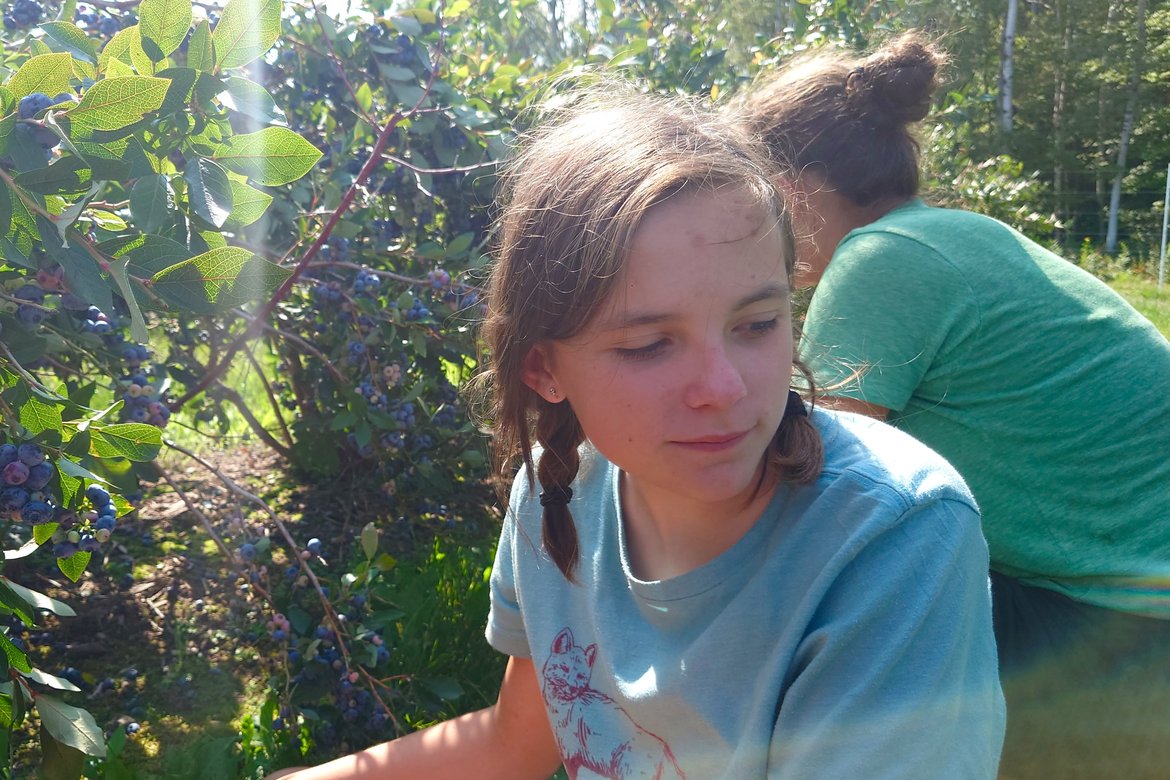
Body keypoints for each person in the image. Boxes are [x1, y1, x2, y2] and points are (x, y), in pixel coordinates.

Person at [266, 83, 1004, 780]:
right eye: (648, 344)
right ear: (544, 369)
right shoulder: (555, 495)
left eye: (756, 324)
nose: (724, 389)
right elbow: (516, 741)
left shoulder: (893, 537)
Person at [734, 32, 1170, 777]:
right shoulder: (954, 236)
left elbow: (814, 485)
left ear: (794, 185)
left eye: (751, 191)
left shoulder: (879, 260)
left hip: (1114, 643)